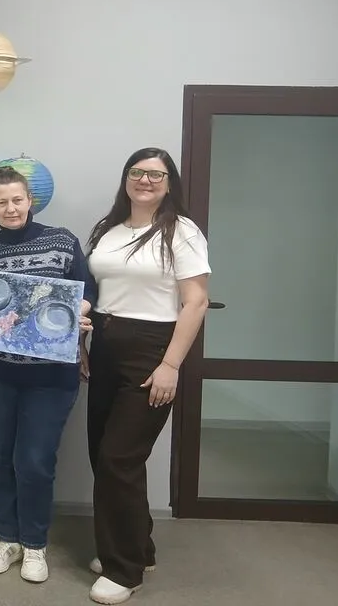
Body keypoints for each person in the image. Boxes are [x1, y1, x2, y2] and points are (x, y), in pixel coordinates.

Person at [0, 165, 97, 584]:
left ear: (30, 201)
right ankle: (6, 538)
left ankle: (34, 544)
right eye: (2, 202)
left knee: (35, 461)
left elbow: (87, 291)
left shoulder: (62, 241)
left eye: (17, 199)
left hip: (51, 376)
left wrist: (77, 314)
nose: (11, 208)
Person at [84, 147, 210, 605]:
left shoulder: (181, 230)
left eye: (156, 174)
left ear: (170, 182)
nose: (145, 180)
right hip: (105, 344)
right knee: (103, 453)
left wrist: (170, 365)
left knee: (119, 457)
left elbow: (195, 302)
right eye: (137, 172)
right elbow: (96, 292)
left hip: (152, 351)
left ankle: (125, 569)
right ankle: (139, 545)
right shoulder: (109, 229)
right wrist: (83, 345)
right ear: (126, 179)